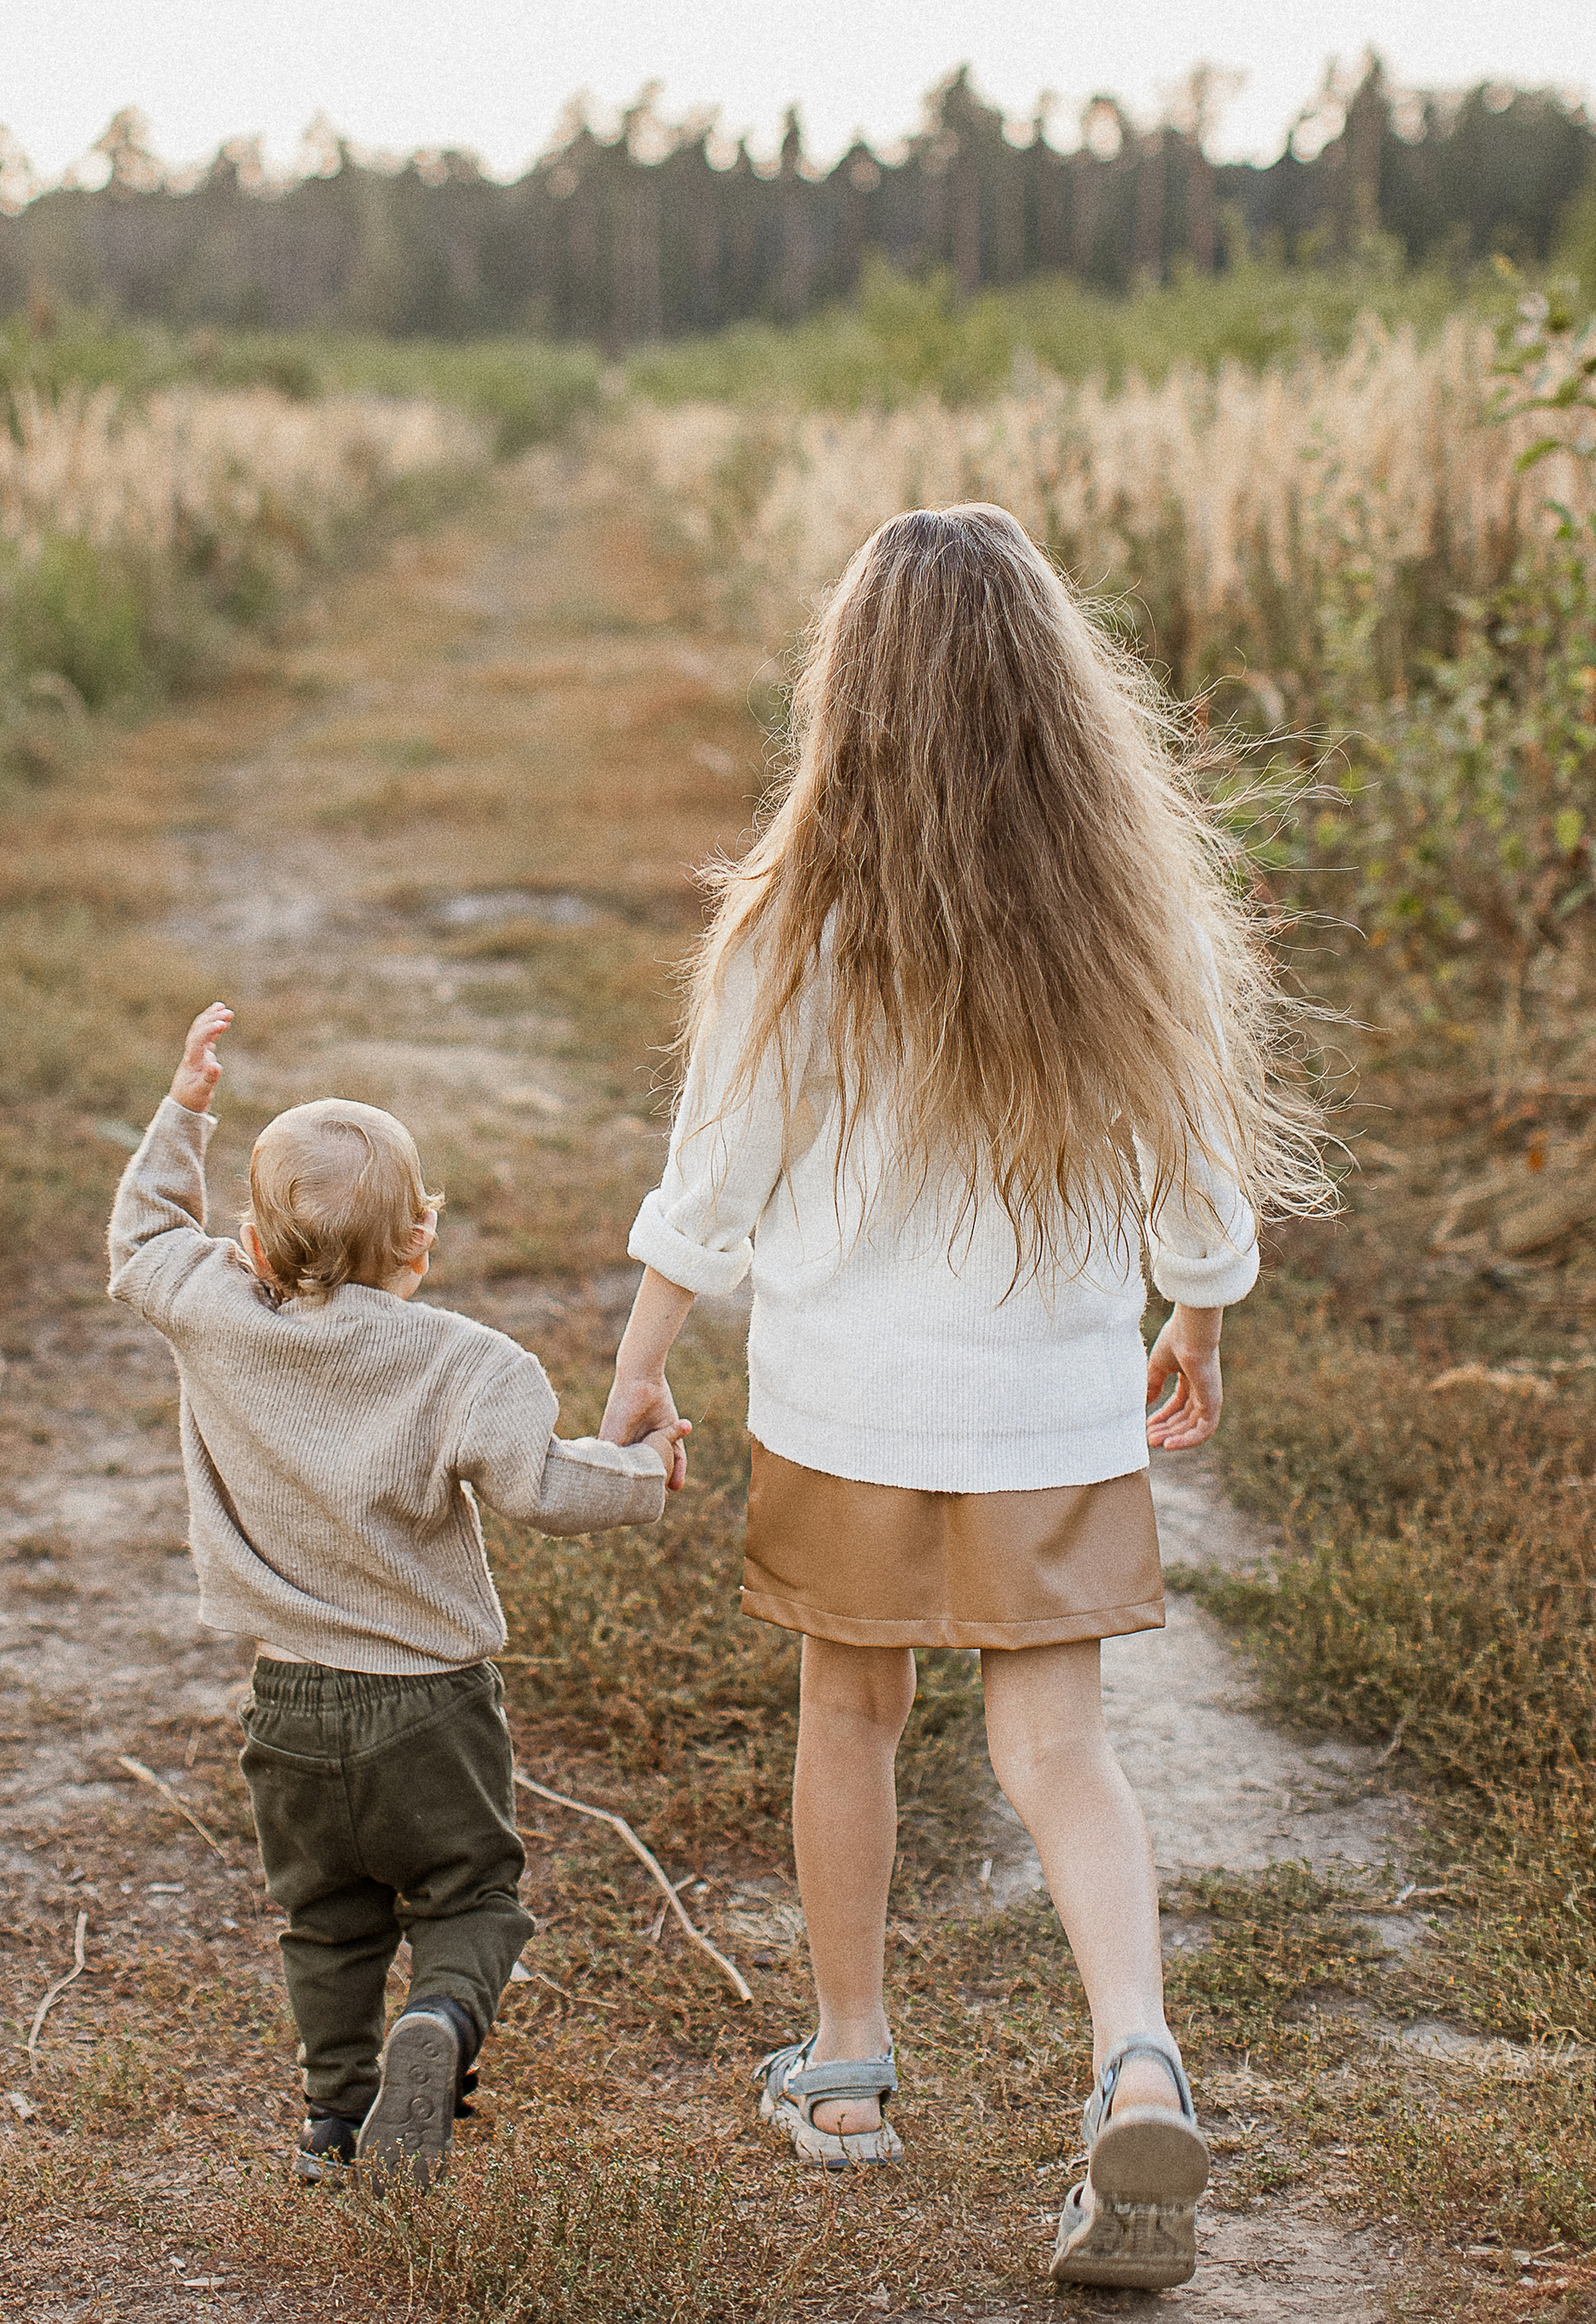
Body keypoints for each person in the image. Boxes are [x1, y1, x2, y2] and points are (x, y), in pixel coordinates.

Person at [598, 503, 1324, 2295]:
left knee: (846, 1716)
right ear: (1055, 698)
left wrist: (636, 1357)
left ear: (844, 697)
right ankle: (1134, 2056)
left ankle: (843, 2068)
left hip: (845, 1410)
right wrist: (1199, 1324)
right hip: (1046, 1415)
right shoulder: (1117, 911)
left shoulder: (790, 925)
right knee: (1057, 1752)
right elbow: (1189, 1171)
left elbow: (718, 1171)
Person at [106, 1003, 689, 2183]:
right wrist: (644, 1469)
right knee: (473, 1894)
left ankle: (333, 2124)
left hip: (290, 1707)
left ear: (254, 1249)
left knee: (326, 1921)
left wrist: (187, 1109)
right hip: (432, 1707)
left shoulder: (212, 1312)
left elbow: (143, 1238)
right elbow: (542, 1486)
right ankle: (441, 2023)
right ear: (420, 1239)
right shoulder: (466, 1362)